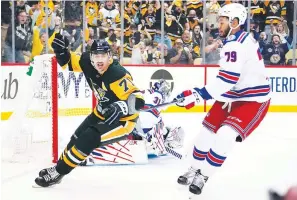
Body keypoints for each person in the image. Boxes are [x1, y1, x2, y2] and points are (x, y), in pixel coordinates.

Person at [174, 3, 271, 195]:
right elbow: (228, 81)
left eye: (222, 21)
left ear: (235, 22)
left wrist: (197, 94)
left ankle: (203, 175)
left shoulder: (235, 44)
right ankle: (193, 169)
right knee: (205, 134)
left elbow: (227, 80)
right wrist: (199, 93)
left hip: (253, 100)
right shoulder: (235, 39)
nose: (218, 25)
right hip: (232, 96)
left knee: (225, 135)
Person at [34, 34, 145, 187]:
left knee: (87, 138)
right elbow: (68, 62)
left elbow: (138, 99)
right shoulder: (87, 62)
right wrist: (61, 52)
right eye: (96, 55)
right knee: (76, 137)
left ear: (109, 56)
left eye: (103, 56)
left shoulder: (116, 73)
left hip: (122, 121)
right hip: (101, 112)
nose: (100, 60)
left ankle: (58, 172)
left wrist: (123, 106)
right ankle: (58, 169)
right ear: (91, 56)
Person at [133, 79, 185, 156]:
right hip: (147, 126)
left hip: (134, 123)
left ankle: (144, 139)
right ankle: (158, 146)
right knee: (161, 123)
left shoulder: (144, 92)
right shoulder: (161, 96)